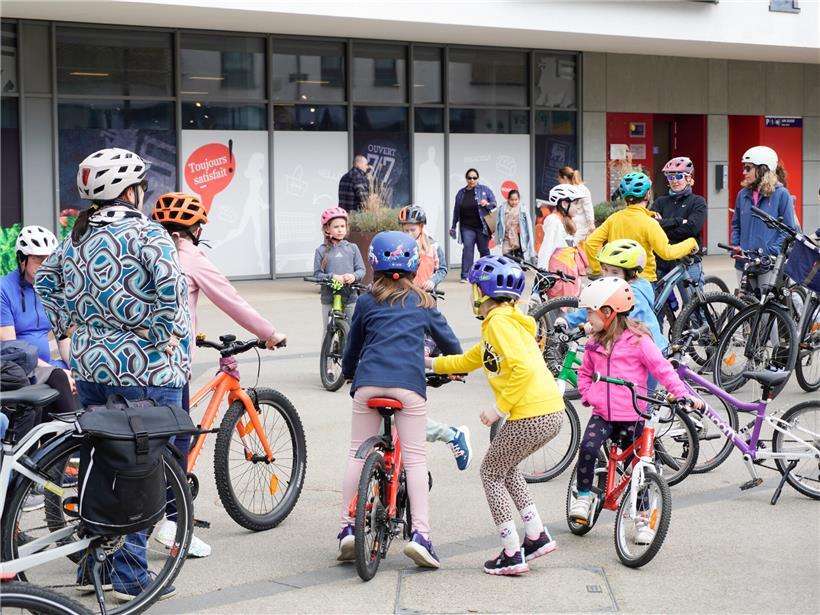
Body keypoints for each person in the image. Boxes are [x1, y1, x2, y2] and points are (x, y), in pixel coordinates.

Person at [36, 147, 190, 602]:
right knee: (142, 469)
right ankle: (128, 574)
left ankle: (94, 562)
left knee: (101, 465)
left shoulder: (77, 237)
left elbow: (46, 279)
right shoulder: (148, 233)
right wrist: (159, 335)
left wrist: (66, 322)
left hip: (90, 366)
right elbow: (173, 298)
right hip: (144, 370)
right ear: (130, 191)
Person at [151, 192, 288, 558]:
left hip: (132, 361)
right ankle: (173, 525)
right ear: (195, 228)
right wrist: (268, 332)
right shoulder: (190, 256)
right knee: (177, 441)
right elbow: (230, 299)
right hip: (168, 363)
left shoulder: (146, 249)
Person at [430, 255, 564, 576]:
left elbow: (522, 369)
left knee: (490, 472)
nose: (473, 295)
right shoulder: (505, 323)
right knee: (507, 469)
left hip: (531, 413)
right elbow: (467, 360)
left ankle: (511, 552)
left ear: (483, 292)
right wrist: (428, 364)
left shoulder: (500, 323)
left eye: (475, 289)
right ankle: (536, 536)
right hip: (550, 412)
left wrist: (499, 408)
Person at [338, 231, 462, 568]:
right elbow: (451, 345)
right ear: (413, 266)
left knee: (355, 452)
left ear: (374, 265)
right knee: (417, 458)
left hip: (367, 386)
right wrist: (454, 369)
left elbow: (352, 349)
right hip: (408, 388)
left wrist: (350, 371)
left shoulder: (365, 302)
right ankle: (421, 535)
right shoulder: (424, 302)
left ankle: (348, 528)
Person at [569, 277, 703, 541]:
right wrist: (588, 395)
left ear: (608, 313)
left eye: (589, 312)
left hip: (632, 417)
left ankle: (644, 521)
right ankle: (583, 497)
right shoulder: (594, 343)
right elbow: (584, 374)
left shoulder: (638, 341)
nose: (586, 318)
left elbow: (663, 370)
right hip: (603, 415)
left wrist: (684, 394)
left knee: (639, 471)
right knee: (587, 449)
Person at [398, 205, 472, 471]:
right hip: (405, 302)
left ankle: (430, 367)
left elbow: (442, 269)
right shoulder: (399, 247)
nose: (408, 232)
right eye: (404, 229)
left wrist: (433, 282)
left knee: (428, 343)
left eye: (412, 229)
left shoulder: (433, 246)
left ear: (421, 227)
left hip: (426, 301)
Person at [0, 226, 76, 425]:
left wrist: (75, 369)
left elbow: (62, 339)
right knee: (59, 377)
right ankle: (78, 438)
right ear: (22, 260)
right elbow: (12, 347)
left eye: (49, 259)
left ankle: (62, 451)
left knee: (77, 378)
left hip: (49, 366)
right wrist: (55, 370)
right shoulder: (4, 289)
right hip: (19, 366)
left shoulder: (52, 288)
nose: (45, 265)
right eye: (38, 260)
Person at [584, 173, 698, 283]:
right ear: (647, 194)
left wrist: (598, 270)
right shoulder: (649, 223)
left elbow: (590, 243)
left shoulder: (613, 218)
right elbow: (666, 253)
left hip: (617, 279)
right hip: (643, 280)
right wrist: (691, 243)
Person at [731, 146, 798, 291]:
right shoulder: (742, 194)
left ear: (762, 169)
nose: (744, 172)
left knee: (765, 310)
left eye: (748, 168)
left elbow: (788, 230)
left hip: (768, 264)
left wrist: (770, 251)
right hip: (745, 262)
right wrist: (735, 247)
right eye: (744, 168)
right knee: (746, 308)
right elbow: (736, 225)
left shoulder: (781, 194)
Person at [651, 157, 707, 298]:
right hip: (662, 263)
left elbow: (692, 229)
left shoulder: (698, 202)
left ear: (689, 178)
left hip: (688, 262)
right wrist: (680, 221)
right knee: (657, 310)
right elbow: (651, 226)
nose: (674, 181)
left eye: (678, 176)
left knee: (694, 310)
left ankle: (703, 321)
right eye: (670, 177)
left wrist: (663, 225)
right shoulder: (660, 202)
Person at [313, 207, 365, 329]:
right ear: (327, 228)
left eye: (343, 226)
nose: (340, 230)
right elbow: (317, 275)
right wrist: (333, 277)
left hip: (350, 296)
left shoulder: (352, 248)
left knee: (352, 330)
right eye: (336, 227)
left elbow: (361, 270)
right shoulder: (321, 251)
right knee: (328, 330)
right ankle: (327, 348)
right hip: (329, 298)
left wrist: (353, 276)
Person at [537, 185, 586, 298]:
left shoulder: (563, 220)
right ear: (564, 204)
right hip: (560, 275)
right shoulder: (553, 221)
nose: (578, 207)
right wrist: (542, 272)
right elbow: (546, 248)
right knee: (560, 310)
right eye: (575, 203)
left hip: (567, 273)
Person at [449, 169, 497, 283]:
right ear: (466, 179)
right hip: (467, 227)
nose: (472, 180)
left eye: (474, 178)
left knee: (484, 250)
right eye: (469, 178)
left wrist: (487, 204)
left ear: (478, 178)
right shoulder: (461, 193)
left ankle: (488, 273)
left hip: (482, 226)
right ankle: (465, 275)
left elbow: (494, 203)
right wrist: (453, 226)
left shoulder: (485, 190)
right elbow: (456, 211)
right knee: (468, 249)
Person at [558, 166, 596, 243]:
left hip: (579, 227)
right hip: (575, 225)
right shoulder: (581, 189)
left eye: (559, 178)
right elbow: (588, 206)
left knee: (573, 248)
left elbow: (588, 207)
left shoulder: (579, 189)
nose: (558, 181)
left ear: (564, 178)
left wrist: (591, 223)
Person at [495, 189, 535, 261]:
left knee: (520, 259)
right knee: (506, 258)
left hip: (519, 236)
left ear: (519, 199)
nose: (514, 202)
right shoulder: (502, 209)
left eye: (516, 199)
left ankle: (521, 271)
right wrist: (498, 237)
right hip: (506, 236)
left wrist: (531, 247)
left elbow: (528, 225)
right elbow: (498, 223)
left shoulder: (523, 209)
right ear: (508, 199)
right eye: (512, 199)